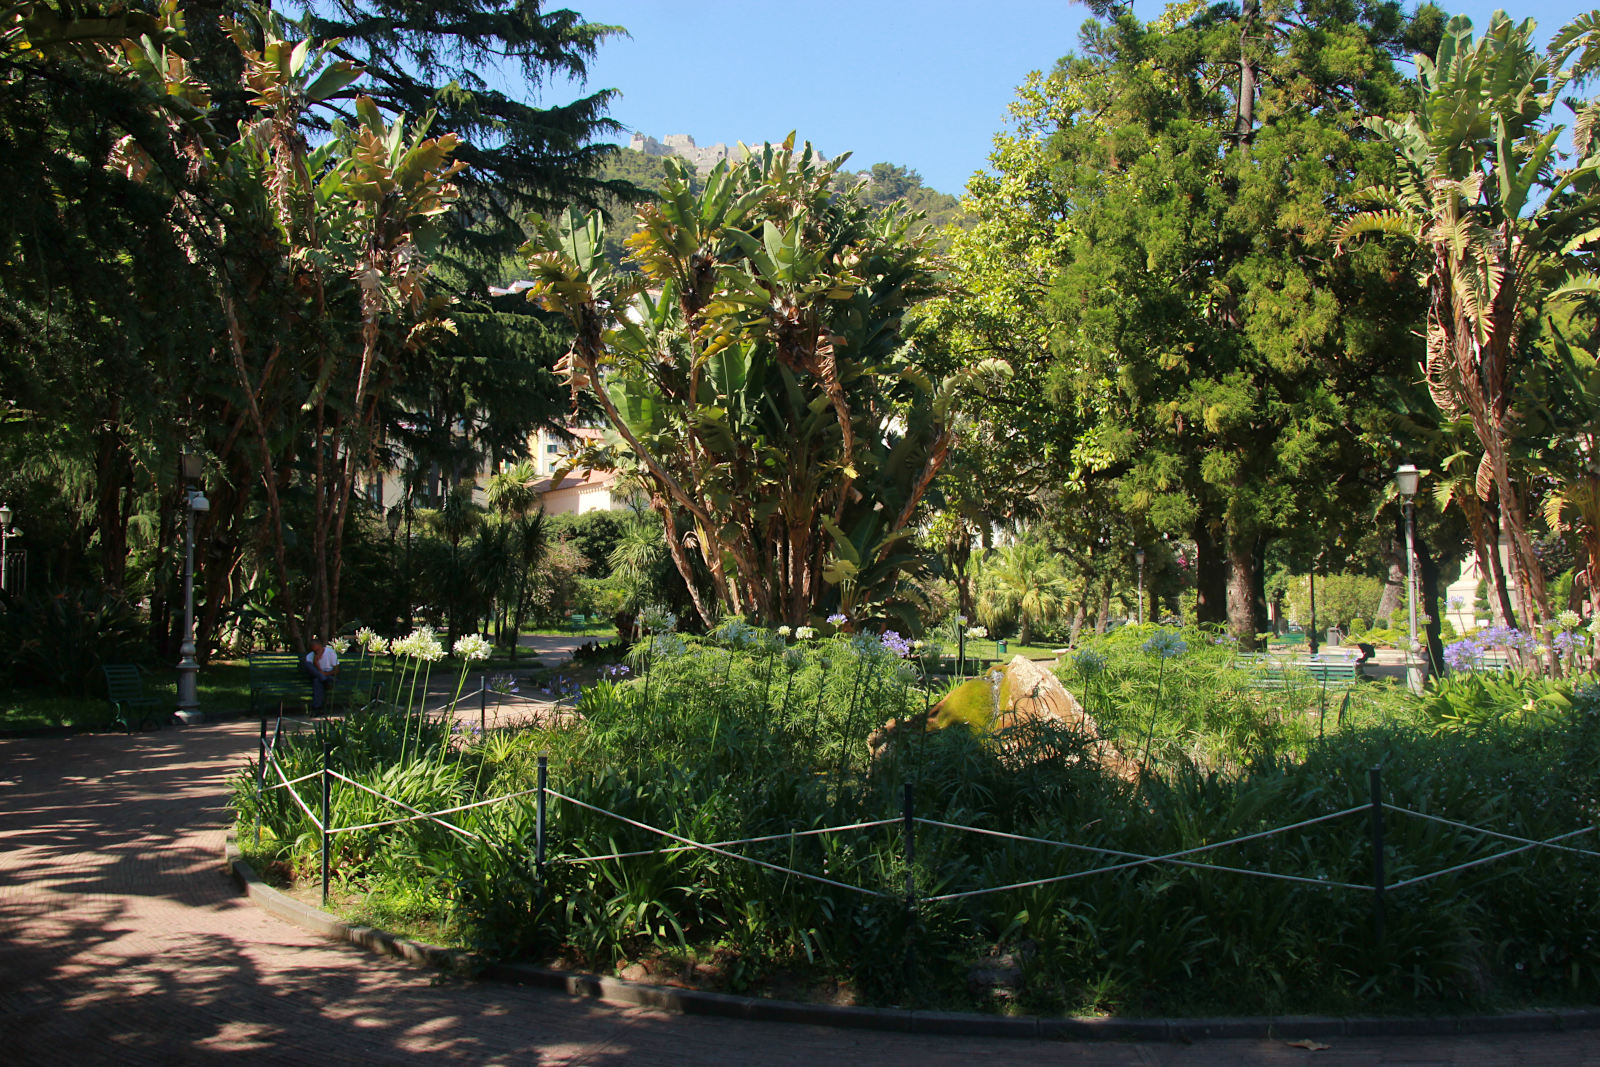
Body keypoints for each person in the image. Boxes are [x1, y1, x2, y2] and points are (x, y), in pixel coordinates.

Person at [302, 636, 339, 712]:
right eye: (314, 651)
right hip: (320, 678)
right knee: (308, 666)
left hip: (330, 677)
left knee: (317, 681)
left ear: (321, 647)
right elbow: (312, 671)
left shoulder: (330, 652)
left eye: (318, 650)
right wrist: (316, 663)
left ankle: (317, 708)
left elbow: (337, 670)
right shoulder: (310, 656)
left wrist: (325, 674)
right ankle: (318, 708)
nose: (317, 652)